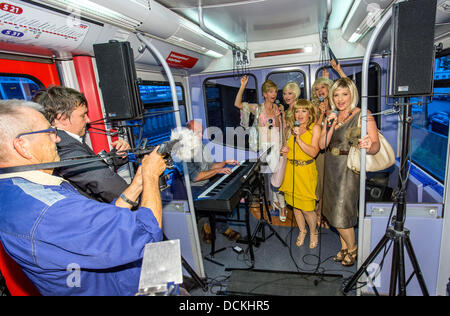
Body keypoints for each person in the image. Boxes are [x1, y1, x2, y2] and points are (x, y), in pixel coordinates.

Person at [0, 100, 167, 296]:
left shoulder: (20, 190)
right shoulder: (50, 210)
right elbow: (146, 233)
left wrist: (138, 183)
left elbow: (95, 228)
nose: (57, 139)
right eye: (49, 132)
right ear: (22, 145)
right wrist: (151, 176)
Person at [33, 86, 132, 204]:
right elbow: (110, 186)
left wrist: (116, 156)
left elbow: (91, 167)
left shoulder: (68, 140)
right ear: (62, 118)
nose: (88, 120)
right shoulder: (63, 146)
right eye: (83, 115)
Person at [319, 78, 380, 267]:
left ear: (352, 94)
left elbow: (375, 146)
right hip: (331, 165)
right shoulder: (331, 115)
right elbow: (322, 145)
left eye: (344, 94)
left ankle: (353, 248)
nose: (340, 99)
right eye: (336, 95)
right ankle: (343, 248)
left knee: (341, 212)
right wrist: (329, 124)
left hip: (348, 167)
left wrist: (369, 146)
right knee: (332, 210)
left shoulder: (363, 115)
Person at [235, 76, 284, 220]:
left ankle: (280, 204)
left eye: (275, 91)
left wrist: (278, 118)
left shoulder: (278, 107)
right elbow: (238, 104)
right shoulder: (257, 108)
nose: (273, 94)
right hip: (263, 146)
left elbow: (281, 127)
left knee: (277, 175)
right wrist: (243, 85)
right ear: (264, 94)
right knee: (268, 175)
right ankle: (277, 202)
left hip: (277, 143)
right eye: (270, 92)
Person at [186, 120, 241, 242]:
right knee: (214, 199)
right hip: (192, 188)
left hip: (205, 182)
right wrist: (218, 171)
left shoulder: (202, 146)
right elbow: (195, 177)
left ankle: (213, 225)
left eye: (201, 132)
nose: (201, 136)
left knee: (222, 194)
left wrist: (225, 162)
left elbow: (210, 166)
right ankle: (212, 227)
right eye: (197, 133)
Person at [279, 100, 321, 249]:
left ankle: (313, 232)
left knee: (307, 208)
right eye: (297, 111)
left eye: (304, 111)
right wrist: (284, 151)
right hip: (291, 170)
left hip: (306, 171)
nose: (300, 114)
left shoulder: (315, 128)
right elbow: (287, 148)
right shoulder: (290, 128)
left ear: (310, 113)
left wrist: (299, 139)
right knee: (296, 206)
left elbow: (313, 152)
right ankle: (302, 231)